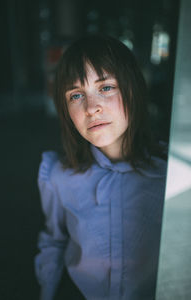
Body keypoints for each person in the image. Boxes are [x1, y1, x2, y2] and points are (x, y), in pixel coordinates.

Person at [35, 35, 167, 300]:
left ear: (133, 90)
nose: (91, 108)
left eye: (106, 87)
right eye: (76, 95)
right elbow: (54, 240)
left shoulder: (172, 175)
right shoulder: (58, 176)